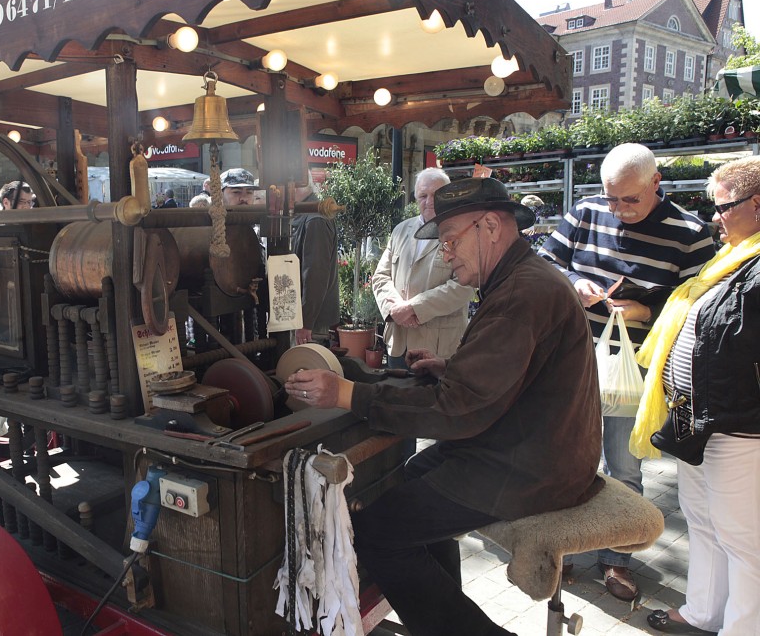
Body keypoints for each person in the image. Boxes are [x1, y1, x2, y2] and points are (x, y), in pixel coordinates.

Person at [284, 177, 602, 636]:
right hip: (531, 445)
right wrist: (451, 367)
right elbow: (511, 370)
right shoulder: (521, 279)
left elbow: (456, 411)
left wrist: (347, 394)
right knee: (414, 471)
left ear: (490, 226)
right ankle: (443, 609)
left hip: (532, 467)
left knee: (375, 533)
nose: (446, 253)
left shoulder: (520, 294)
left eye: (451, 240)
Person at [538, 142, 716, 600]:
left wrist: (645, 311)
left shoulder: (690, 233)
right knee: (566, 461)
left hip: (633, 371)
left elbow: (700, 307)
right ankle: (566, 549)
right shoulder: (586, 211)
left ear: (656, 182)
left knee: (622, 468)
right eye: (611, 198)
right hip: (572, 362)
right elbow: (546, 262)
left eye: (629, 199)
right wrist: (575, 281)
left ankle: (617, 559)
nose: (618, 209)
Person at [634, 158, 760, 636]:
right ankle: (704, 613)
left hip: (739, 425)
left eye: (723, 207)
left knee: (743, 539)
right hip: (696, 417)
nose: (715, 218)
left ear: (757, 204)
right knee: (703, 521)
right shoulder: (732, 258)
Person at [372, 168, 473, 367]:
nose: (429, 201)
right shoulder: (401, 230)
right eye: (423, 196)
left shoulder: (463, 233)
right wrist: (395, 308)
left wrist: (413, 308)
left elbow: (464, 286)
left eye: (436, 195)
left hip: (438, 349)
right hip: (398, 344)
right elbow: (381, 276)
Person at [290, 181, 339, 345]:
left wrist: (306, 322)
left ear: (293, 186)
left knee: (306, 360)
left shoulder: (315, 219)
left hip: (310, 323)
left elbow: (315, 274)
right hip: (307, 318)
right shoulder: (307, 214)